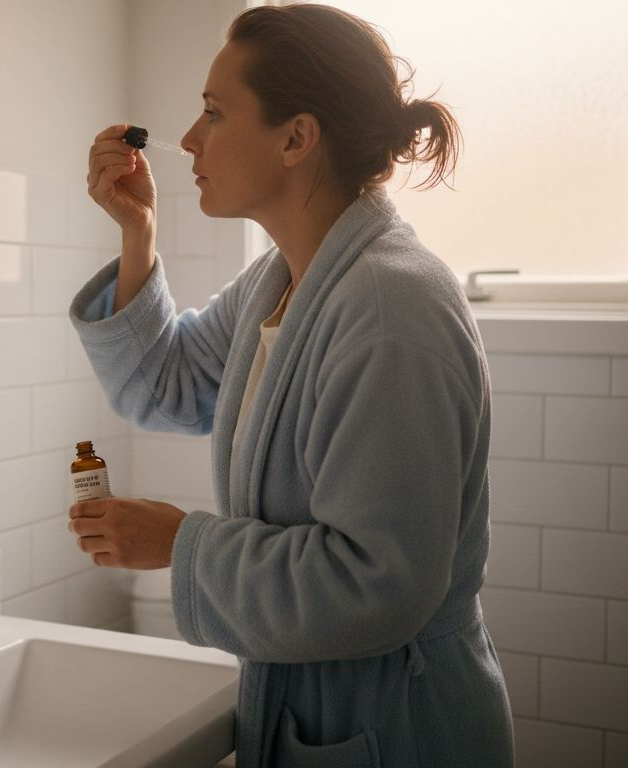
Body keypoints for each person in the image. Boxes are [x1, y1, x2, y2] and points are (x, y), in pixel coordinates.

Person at [67, 4, 513, 766]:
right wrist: (137, 232)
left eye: (214, 112)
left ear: (296, 138)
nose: (189, 138)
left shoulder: (390, 309)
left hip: (399, 723)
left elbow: (377, 584)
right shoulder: (281, 281)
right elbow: (165, 385)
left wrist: (180, 543)